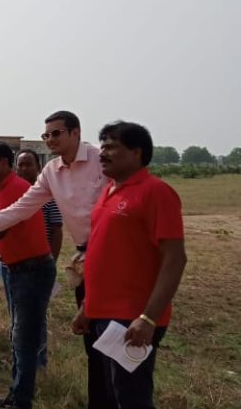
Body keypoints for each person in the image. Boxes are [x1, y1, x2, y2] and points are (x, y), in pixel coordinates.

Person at [0, 110, 109, 408]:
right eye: (46, 135)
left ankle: (22, 399)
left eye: (56, 133)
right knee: (91, 344)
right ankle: (20, 397)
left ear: (76, 133)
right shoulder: (50, 173)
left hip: (90, 260)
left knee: (108, 345)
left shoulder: (101, 160)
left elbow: (12, 227)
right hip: (79, 263)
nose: (50, 139)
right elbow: (11, 215)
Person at [72, 121, 186, 409]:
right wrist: (88, 307)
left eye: (112, 147)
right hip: (103, 316)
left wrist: (148, 318)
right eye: (102, 146)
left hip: (132, 319)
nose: (103, 153)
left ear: (137, 152)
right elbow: (105, 255)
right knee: (110, 394)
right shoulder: (109, 192)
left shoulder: (156, 192)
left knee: (131, 398)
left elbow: (175, 258)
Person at [0, 141, 54, 409]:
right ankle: (15, 395)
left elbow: (0, 230)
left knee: (23, 340)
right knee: (18, 337)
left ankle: (21, 401)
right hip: (16, 269)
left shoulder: (17, 188)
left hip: (32, 270)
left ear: (5, 162)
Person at [14, 149, 64, 369]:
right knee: (18, 316)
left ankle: (38, 361)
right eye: (20, 164)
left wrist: (51, 260)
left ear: (38, 167)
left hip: (38, 264)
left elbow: (57, 230)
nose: (24, 169)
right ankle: (21, 360)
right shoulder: (16, 194)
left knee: (36, 316)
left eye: (28, 164)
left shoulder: (47, 196)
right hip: (15, 265)